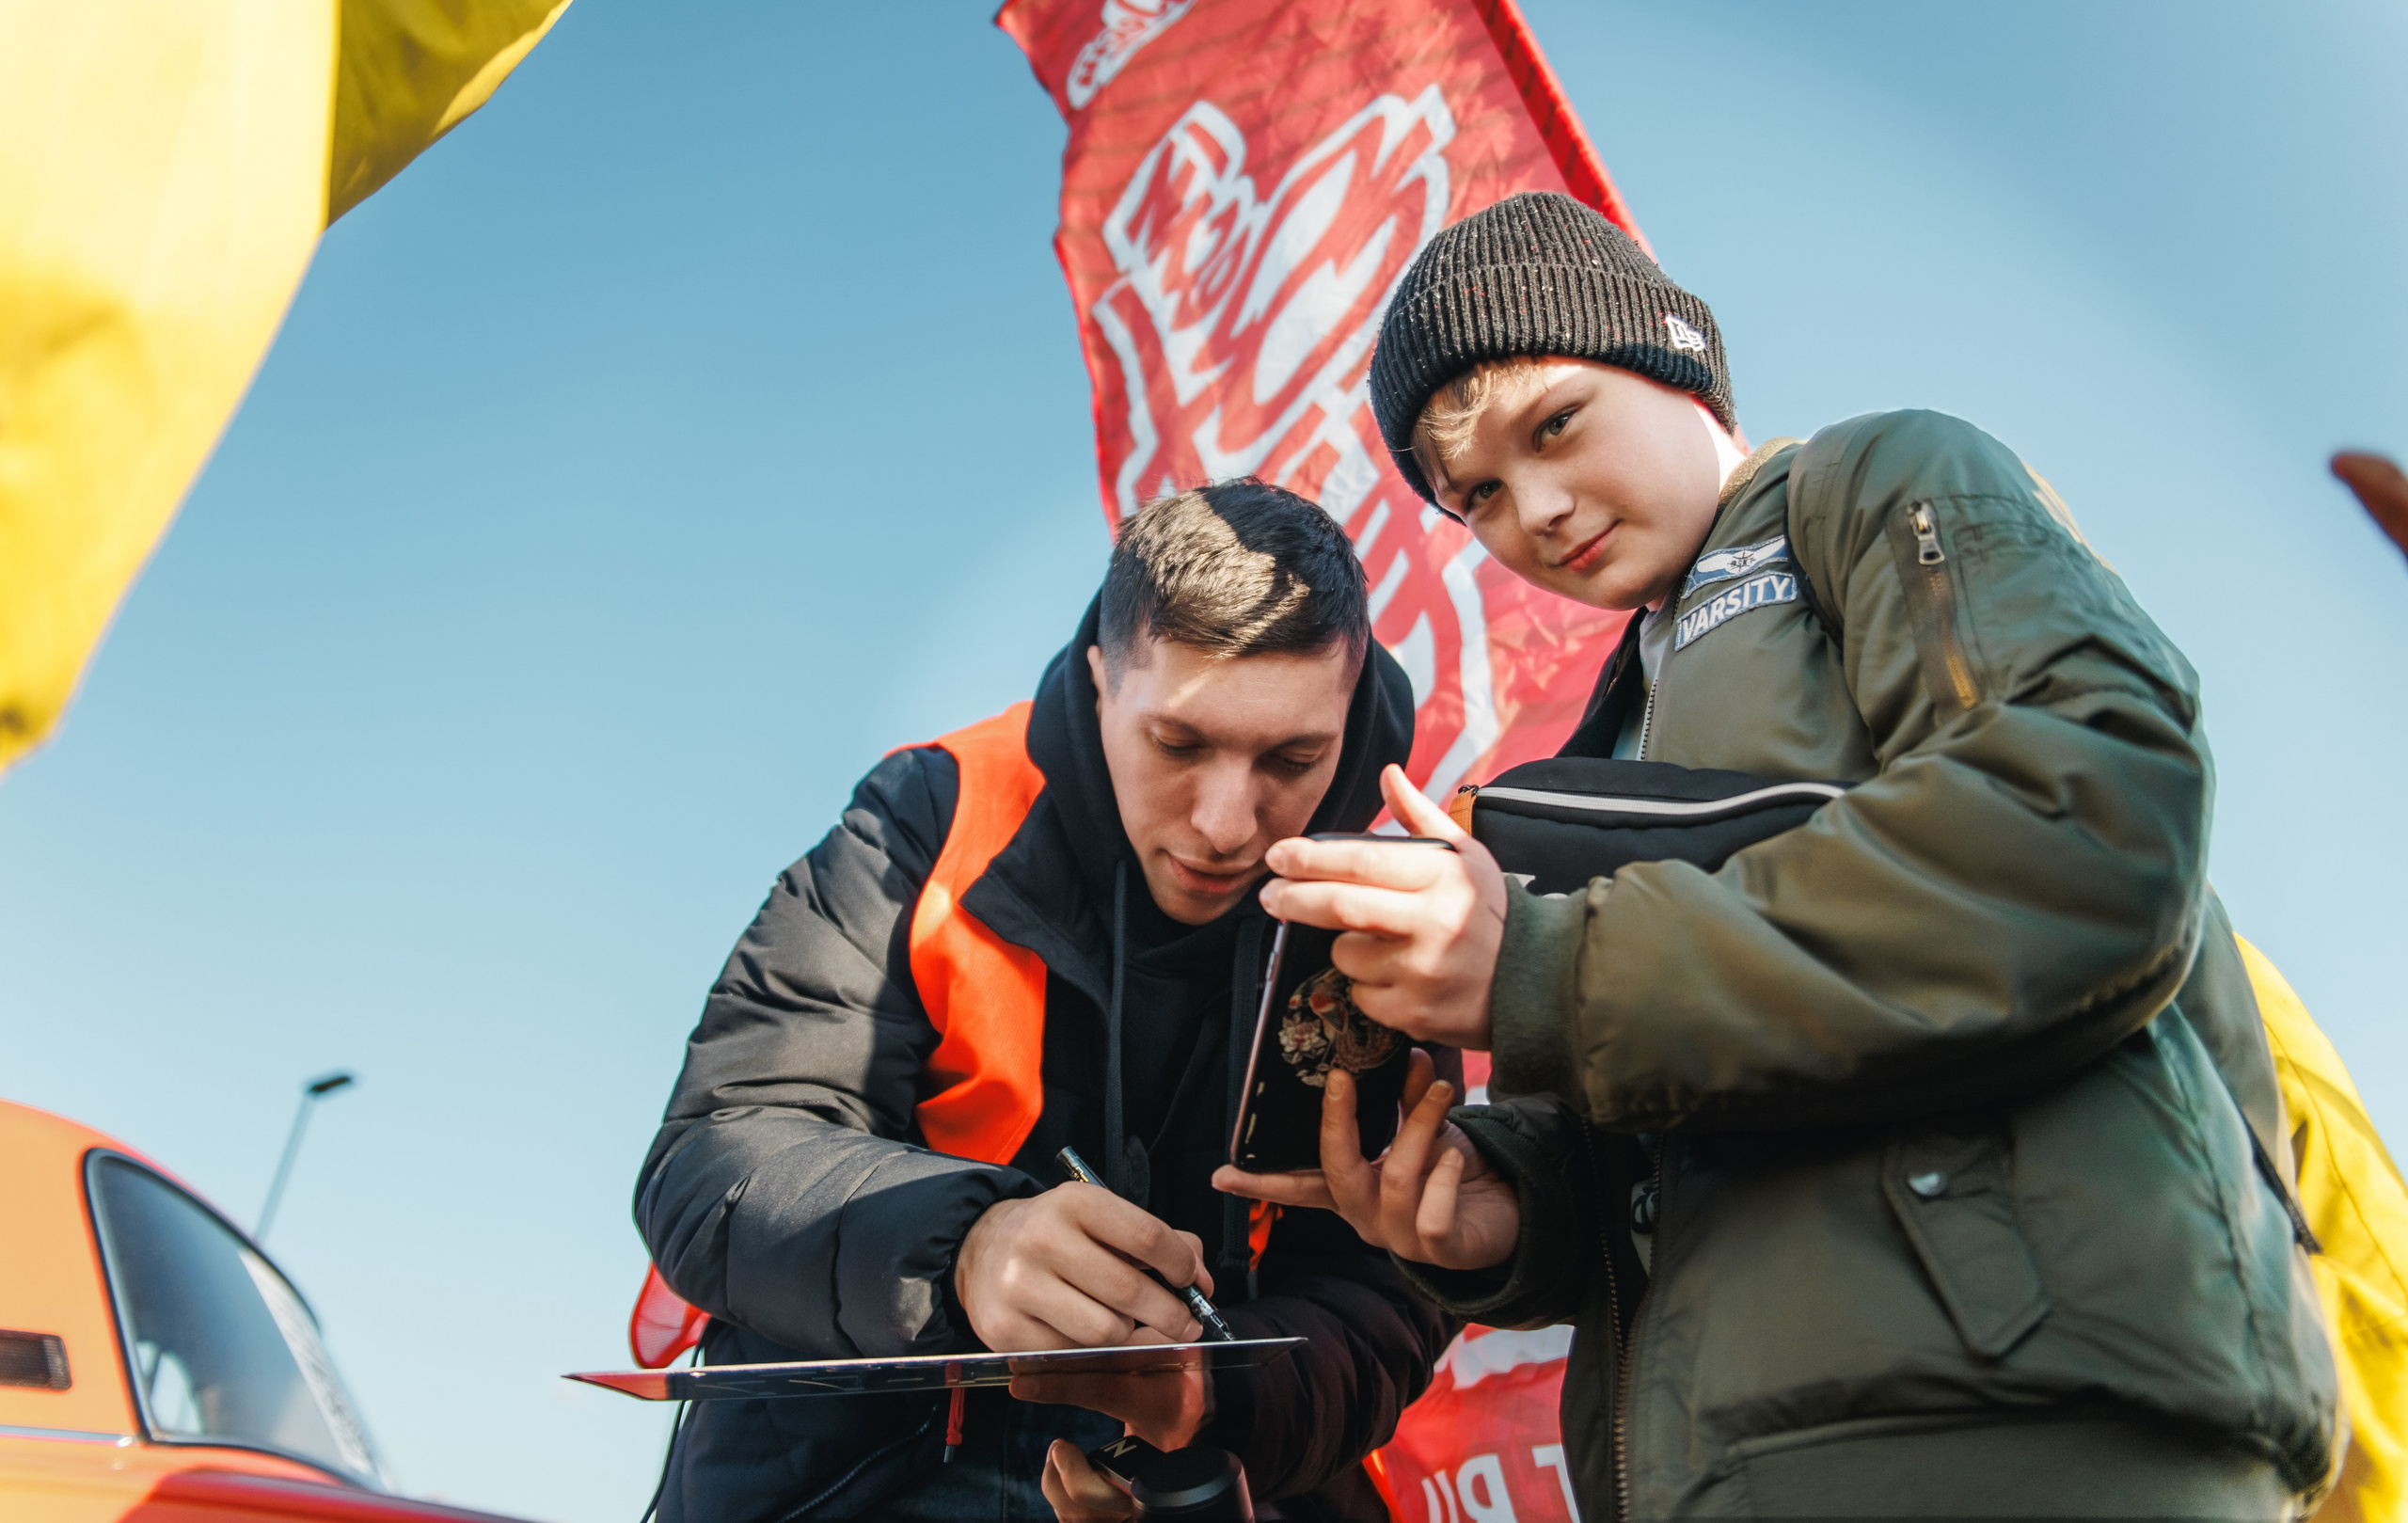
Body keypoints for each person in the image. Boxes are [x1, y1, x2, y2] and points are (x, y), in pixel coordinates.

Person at [1219, 191, 2343, 1519]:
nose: (1537, 507)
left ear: (1673, 352)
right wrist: (1503, 1211)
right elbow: (1686, 1125)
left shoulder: (1879, 482)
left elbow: (2089, 824)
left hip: (2041, 1425)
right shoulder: (1599, 738)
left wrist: (1544, 964)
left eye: (1558, 424)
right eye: (1478, 496)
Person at [634, 482, 1450, 1522]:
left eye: (1291, 760)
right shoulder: (934, 811)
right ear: (1103, 679)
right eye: (1179, 744)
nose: (1224, 823)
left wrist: (1211, 1390)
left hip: (1213, 1483)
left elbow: (1387, 1293)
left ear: (1348, 717)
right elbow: (713, 1159)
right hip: (862, 1464)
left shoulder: (1392, 916)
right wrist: (964, 1251)